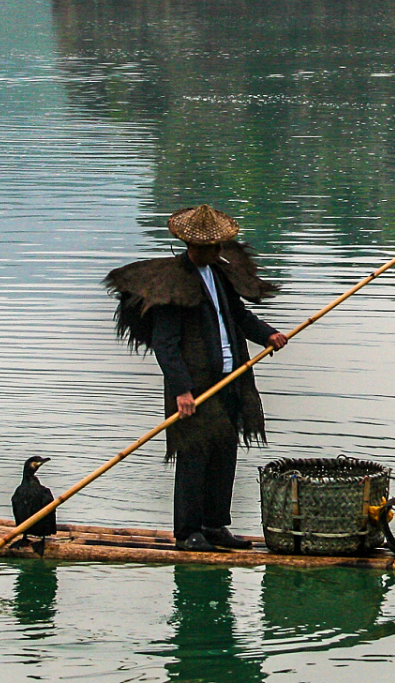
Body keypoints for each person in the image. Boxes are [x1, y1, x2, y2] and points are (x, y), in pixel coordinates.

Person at [105, 205, 288, 552]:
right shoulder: (172, 284)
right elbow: (165, 344)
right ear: (191, 246)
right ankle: (188, 531)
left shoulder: (220, 274)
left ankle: (215, 525)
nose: (218, 251)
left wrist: (268, 335)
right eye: (211, 246)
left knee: (224, 450)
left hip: (230, 375)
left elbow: (238, 316)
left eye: (220, 245)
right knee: (194, 452)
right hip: (194, 383)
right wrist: (182, 391)